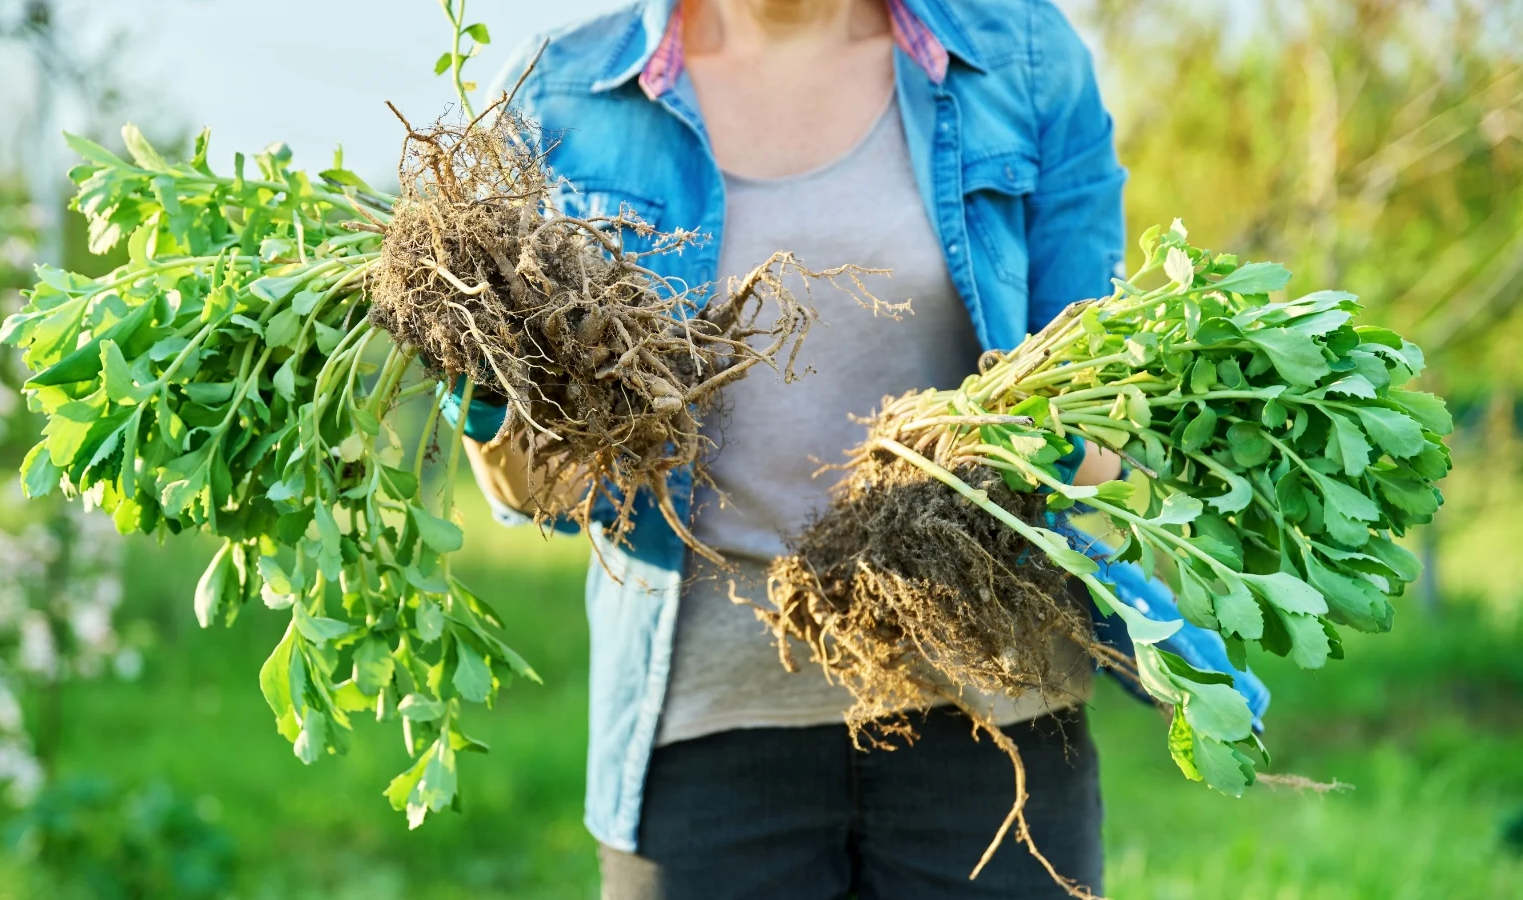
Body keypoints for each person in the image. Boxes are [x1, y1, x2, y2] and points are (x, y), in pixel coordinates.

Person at [446, 1, 1266, 897]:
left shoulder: (1020, 57)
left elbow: (1104, 405)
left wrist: (997, 449)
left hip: (993, 706)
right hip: (704, 733)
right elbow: (543, 488)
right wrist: (481, 379)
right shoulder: (559, 92)